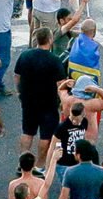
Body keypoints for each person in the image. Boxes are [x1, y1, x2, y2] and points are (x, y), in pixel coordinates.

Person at [15, 27, 66, 173]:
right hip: (48, 103)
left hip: (28, 101)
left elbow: (17, 76)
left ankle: (23, 162)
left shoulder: (25, 56)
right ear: (50, 40)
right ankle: (39, 165)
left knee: (27, 132)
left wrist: (21, 92)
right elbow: (60, 85)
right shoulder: (55, 60)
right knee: (45, 136)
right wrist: (63, 102)